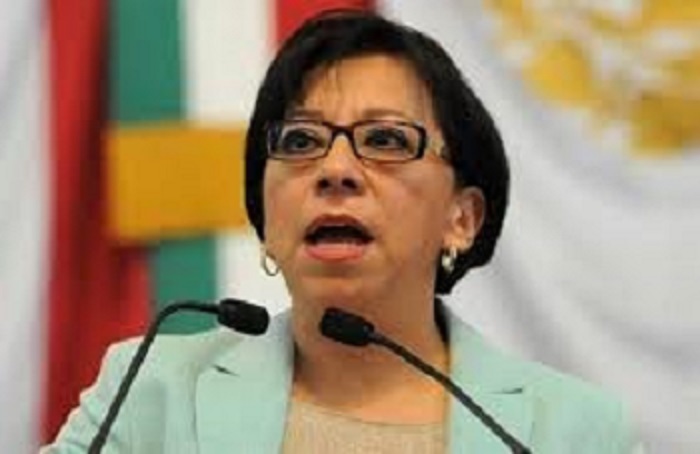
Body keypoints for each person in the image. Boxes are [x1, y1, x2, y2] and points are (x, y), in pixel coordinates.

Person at [44, 10, 640, 453]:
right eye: (300, 141)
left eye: (385, 140)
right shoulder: (151, 390)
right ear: (265, 214)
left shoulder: (572, 431)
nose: (334, 169)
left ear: (462, 218)